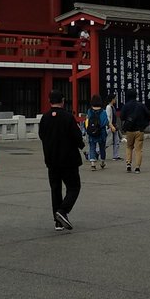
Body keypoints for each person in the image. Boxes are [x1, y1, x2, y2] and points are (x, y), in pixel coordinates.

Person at [38, 89, 84, 231]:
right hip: (68, 159)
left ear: (49, 101)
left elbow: (41, 135)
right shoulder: (68, 117)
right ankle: (63, 211)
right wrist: (81, 145)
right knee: (74, 187)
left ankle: (58, 222)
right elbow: (77, 136)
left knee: (55, 188)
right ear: (63, 101)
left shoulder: (45, 118)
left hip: (51, 159)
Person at [119, 89, 150, 173]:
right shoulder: (141, 105)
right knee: (138, 149)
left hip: (129, 130)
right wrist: (144, 124)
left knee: (129, 147)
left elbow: (122, 117)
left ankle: (128, 164)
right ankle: (137, 167)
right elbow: (148, 115)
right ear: (136, 95)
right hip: (140, 130)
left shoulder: (126, 106)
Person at [84, 96, 108, 170]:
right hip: (101, 132)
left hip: (92, 131)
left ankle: (93, 164)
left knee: (92, 147)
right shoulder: (103, 112)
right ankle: (102, 162)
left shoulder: (89, 111)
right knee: (102, 147)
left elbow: (87, 120)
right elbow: (105, 122)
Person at [105, 95, 121, 162]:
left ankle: (116, 156)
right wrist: (111, 126)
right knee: (107, 142)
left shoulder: (112, 107)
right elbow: (108, 118)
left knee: (116, 141)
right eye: (114, 99)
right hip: (111, 126)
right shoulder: (108, 107)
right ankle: (95, 152)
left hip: (114, 126)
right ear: (112, 99)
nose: (115, 100)